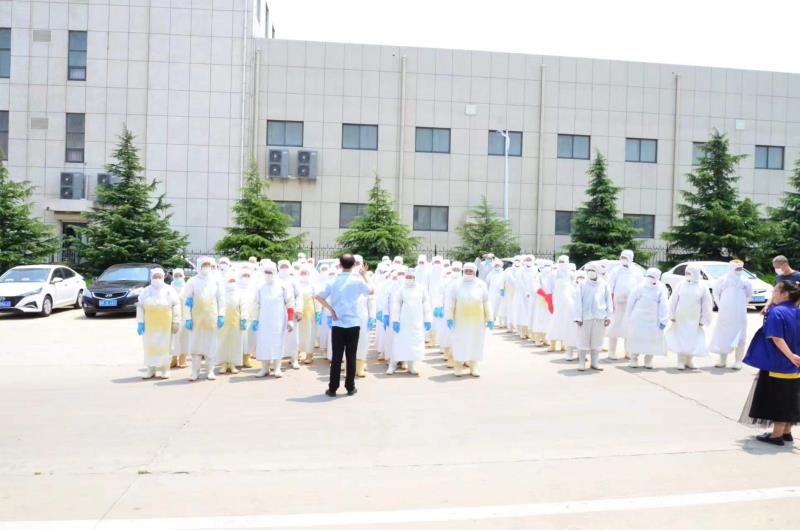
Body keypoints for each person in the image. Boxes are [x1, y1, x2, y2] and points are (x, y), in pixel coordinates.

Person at [739, 280, 800, 446]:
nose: (772, 295)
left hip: (778, 362)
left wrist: (790, 356)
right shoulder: (796, 311)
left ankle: (776, 435)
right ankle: (786, 431)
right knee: (791, 396)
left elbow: (777, 337)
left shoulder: (776, 312)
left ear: (785, 294)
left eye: (775, 292)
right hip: (795, 364)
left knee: (779, 398)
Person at [315, 254, 374, 397]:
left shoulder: (333, 280)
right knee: (351, 356)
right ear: (354, 265)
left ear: (340, 265)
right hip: (353, 323)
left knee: (336, 357)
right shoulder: (357, 281)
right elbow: (371, 291)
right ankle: (350, 387)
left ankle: (333, 388)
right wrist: (365, 275)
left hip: (338, 323)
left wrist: (331, 310)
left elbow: (318, 296)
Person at [446, 262, 492, 377]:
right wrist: (449, 317)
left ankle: (474, 367)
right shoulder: (456, 284)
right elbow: (451, 302)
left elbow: (486, 301)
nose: (468, 272)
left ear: (475, 272)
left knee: (476, 343)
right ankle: (458, 367)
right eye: (466, 270)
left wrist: (489, 318)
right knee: (460, 343)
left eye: (470, 271)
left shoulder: (481, 284)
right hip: (460, 321)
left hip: (477, 321)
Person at [184, 257, 226, 381]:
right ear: (199, 266)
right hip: (196, 320)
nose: (206, 267)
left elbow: (221, 300)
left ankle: (210, 371)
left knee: (211, 345)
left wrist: (221, 315)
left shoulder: (216, 281)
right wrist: (187, 318)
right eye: (204, 265)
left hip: (211, 319)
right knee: (195, 346)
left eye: (208, 265)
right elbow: (187, 300)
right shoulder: (192, 281)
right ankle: (194, 372)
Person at [665, 265, 713, 370]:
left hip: (694, 318)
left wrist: (704, 319)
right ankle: (680, 361)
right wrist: (672, 314)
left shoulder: (702, 286)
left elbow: (707, 304)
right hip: (681, 317)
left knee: (692, 339)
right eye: (686, 273)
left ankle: (689, 361)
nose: (686, 275)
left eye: (689, 273)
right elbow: (674, 300)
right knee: (681, 338)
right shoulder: (681, 284)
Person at [136, 268, 181, 379]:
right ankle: (150, 369)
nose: (157, 279)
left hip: (165, 324)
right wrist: (140, 322)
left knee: (165, 346)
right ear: (151, 277)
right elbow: (140, 306)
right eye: (155, 276)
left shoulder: (169, 289)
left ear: (163, 277)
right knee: (150, 346)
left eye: (159, 276)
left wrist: (176, 321)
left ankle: (165, 369)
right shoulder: (146, 291)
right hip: (150, 325)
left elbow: (176, 305)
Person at [252, 262, 294, 378]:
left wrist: (290, 319)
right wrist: (255, 319)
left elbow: (290, 303)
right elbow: (256, 304)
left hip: (278, 320)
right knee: (263, 344)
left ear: (275, 272)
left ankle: (277, 368)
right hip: (264, 321)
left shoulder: (283, 285)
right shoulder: (260, 286)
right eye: (266, 272)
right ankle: (265, 369)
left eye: (270, 272)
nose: (268, 274)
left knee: (277, 343)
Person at [388, 268, 432, 375]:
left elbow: (426, 303)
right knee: (399, 343)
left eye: (411, 277)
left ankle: (411, 366)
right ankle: (392, 366)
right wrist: (395, 320)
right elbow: (396, 304)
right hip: (403, 321)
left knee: (414, 344)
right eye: (407, 277)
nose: (409, 279)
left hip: (417, 321)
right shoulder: (401, 289)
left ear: (415, 277)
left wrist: (428, 319)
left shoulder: (421, 288)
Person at [710, 260, 753, 370]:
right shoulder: (722, 280)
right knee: (723, 335)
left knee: (740, 337)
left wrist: (742, 305)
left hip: (740, 314)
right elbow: (716, 294)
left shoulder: (745, 280)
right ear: (731, 268)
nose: (739, 271)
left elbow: (749, 295)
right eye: (737, 269)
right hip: (725, 314)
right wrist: (721, 306)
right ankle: (722, 360)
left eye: (740, 269)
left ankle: (738, 361)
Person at [625, 268, 669, 369]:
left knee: (652, 340)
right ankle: (634, 359)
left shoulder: (661, 288)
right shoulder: (639, 287)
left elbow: (664, 305)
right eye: (649, 276)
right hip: (639, 318)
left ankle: (648, 360)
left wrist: (663, 319)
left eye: (653, 277)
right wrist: (628, 315)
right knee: (637, 338)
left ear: (657, 278)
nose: (650, 278)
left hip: (653, 319)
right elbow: (631, 301)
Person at [573, 262, 613, 371]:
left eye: (593, 270)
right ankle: (582, 362)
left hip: (600, 317)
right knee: (583, 340)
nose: (590, 272)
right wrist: (578, 317)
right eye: (588, 270)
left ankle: (594, 363)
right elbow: (577, 302)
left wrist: (608, 316)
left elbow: (608, 301)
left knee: (597, 340)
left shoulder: (604, 284)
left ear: (598, 272)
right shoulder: (582, 284)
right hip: (585, 317)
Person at [606, 250, 643, 359]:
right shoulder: (615, 271)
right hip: (617, 304)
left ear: (631, 259)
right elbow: (609, 287)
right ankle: (611, 352)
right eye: (622, 257)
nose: (623, 260)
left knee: (629, 328)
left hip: (630, 305)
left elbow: (640, 288)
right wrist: (611, 302)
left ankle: (628, 351)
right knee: (614, 327)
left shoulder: (637, 271)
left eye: (626, 258)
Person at [546, 256, 575, 352]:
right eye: (560, 261)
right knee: (555, 321)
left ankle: (564, 344)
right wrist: (549, 302)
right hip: (556, 302)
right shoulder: (553, 274)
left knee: (566, 322)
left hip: (567, 302)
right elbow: (549, 288)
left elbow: (574, 287)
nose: (562, 263)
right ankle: (552, 345)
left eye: (564, 261)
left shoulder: (571, 274)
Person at [278, 260, 301, 370]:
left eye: (286, 266)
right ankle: (277, 361)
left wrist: (299, 309)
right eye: (282, 266)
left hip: (292, 312)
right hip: (277, 313)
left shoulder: (293, 280)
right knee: (278, 337)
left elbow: (299, 296)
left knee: (293, 338)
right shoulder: (275, 279)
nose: (284, 268)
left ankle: (294, 359)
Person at [297, 266, 319, 365]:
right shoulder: (296, 284)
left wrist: (318, 311)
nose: (304, 275)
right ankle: (296, 353)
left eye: (306, 273)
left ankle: (309, 355)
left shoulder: (313, 285)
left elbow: (317, 299)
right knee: (299, 333)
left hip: (310, 312)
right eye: (302, 273)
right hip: (298, 312)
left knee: (309, 333)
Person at [169, 268, 189, 369]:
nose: (178, 277)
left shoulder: (187, 287)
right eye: (176, 276)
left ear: (183, 276)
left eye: (180, 275)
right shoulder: (169, 288)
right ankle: (173, 358)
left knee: (184, 338)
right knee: (173, 339)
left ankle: (183, 358)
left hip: (185, 316)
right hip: (173, 317)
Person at [239, 266, 259, 368]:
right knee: (239, 340)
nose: (245, 278)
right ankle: (237, 359)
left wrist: (256, 319)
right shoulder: (235, 288)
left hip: (251, 318)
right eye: (244, 275)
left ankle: (246, 359)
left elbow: (256, 304)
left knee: (249, 340)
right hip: (238, 319)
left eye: (248, 275)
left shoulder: (254, 289)